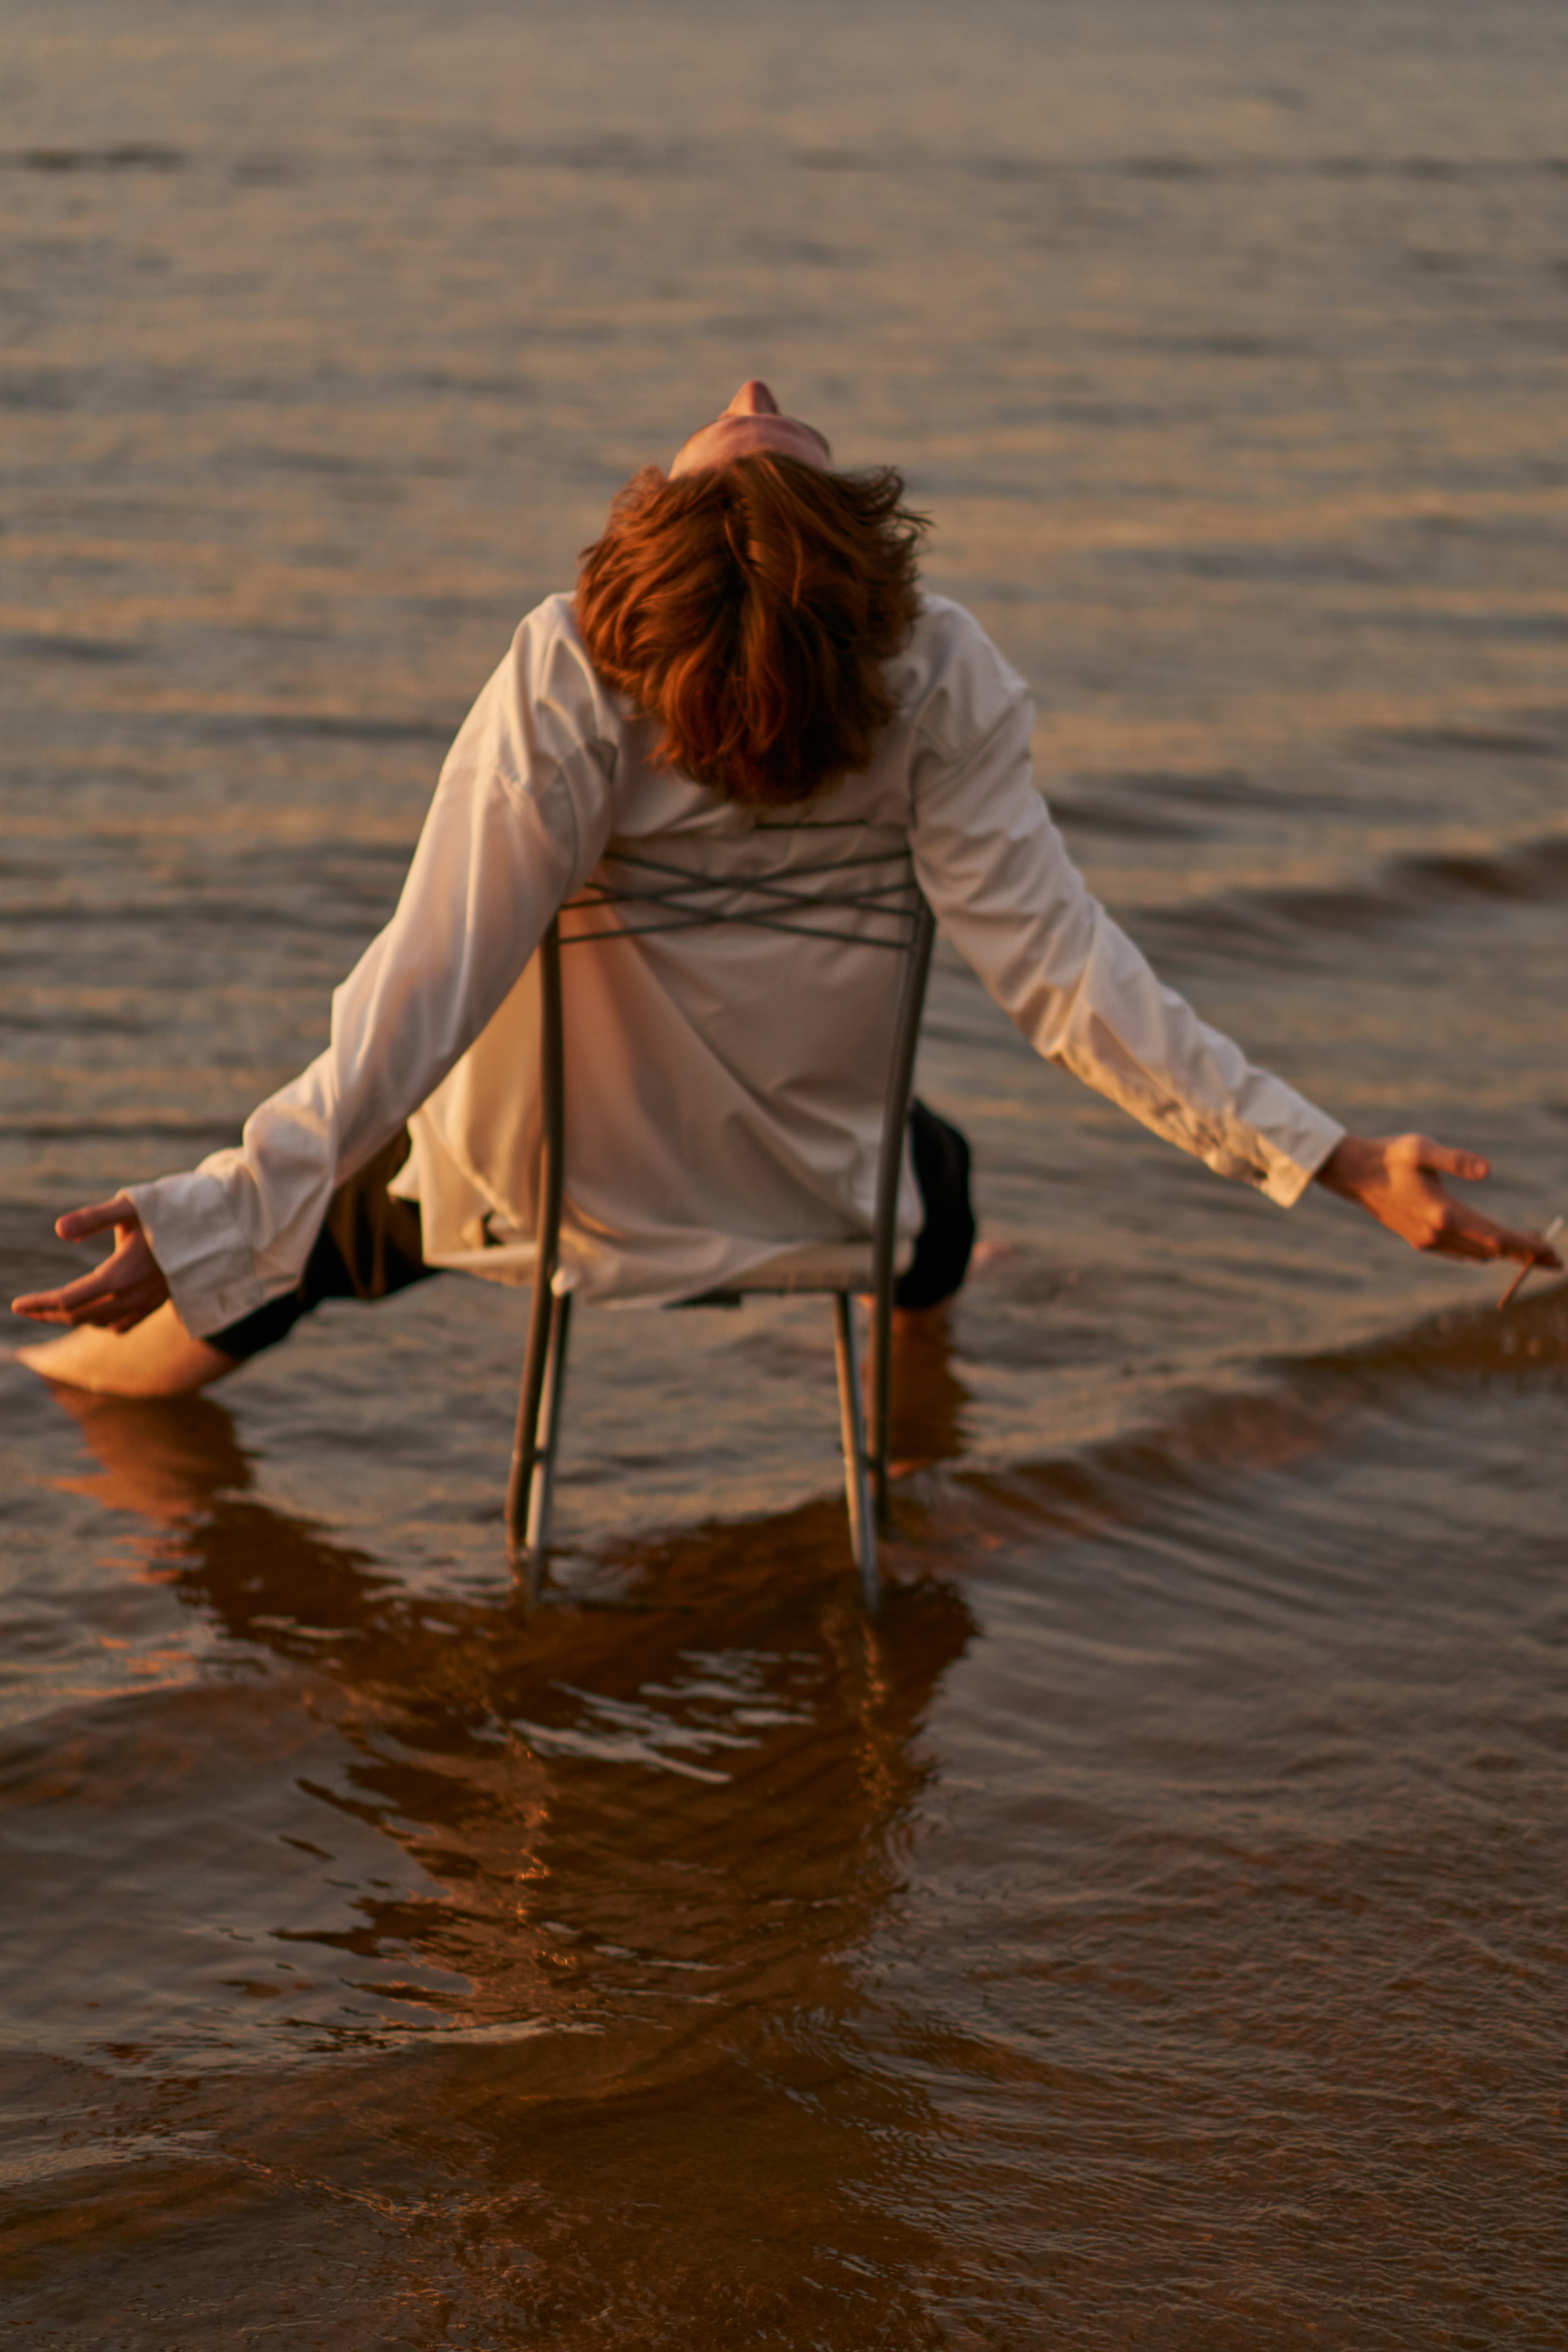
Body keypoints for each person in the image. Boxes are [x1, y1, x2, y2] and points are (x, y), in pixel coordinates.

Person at [12, 382, 1559, 1396]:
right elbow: (1073, 987)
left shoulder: (570, 675)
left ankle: (75, 1392)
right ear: (867, 581)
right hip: (823, 1200)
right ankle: (901, 1449)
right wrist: (1336, 1160)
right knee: (936, 1188)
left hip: (549, 1197)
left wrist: (222, 1207)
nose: (751, 390)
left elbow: (420, 991)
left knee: (340, 1230)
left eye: (749, 430)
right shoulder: (930, 678)